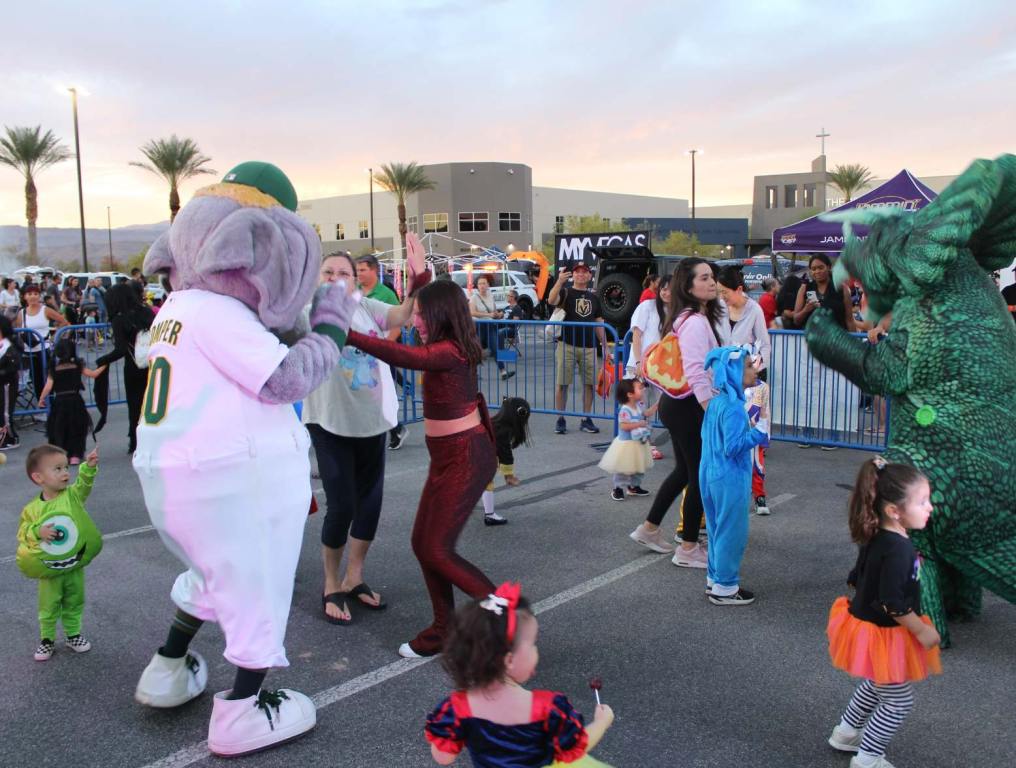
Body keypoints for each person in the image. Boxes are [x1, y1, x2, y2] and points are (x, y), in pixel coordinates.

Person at [346, 278, 498, 658]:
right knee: (423, 544)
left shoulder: (449, 351)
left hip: (467, 458)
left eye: (420, 314)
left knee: (437, 548)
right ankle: (443, 628)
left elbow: (405, 357)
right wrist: (415, 284)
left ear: (441, 314)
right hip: (449, 459)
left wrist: (347, 334)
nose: (415, 321)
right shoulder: (446, 345)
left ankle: (502, 614)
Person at [303, 252, 416, 624]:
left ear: (356, 279)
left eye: (344, 273)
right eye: (328, 271)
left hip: (373, 420)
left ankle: (355, 577)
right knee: (342, 505)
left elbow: (401, 317)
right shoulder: (308, 311)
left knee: (370, 503)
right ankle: (331, 583)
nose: (336, 278)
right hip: (329, 420)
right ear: (319, 278)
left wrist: (416, 285)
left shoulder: (367, 306)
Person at [826, 458, 941, 768]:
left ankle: (847, 732)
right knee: (898, 701)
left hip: (865, 624)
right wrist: (921, 630)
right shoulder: (900, 549)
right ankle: (868, 757)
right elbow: (892, 603)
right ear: (894, 511)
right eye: (922, 501)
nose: (930, 507)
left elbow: (857, 575)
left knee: (878, 681)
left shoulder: (877, 534)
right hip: (884, 630)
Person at [425, 582, 615, 768]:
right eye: (533, 643)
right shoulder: (549, 708)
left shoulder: (455, 709)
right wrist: (601, 723)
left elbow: (444, 758)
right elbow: (576, 746)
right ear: (509, 660)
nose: (535, 650)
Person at [630, 258, 730, 564]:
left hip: (679, 404)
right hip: (690, 405)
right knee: (698, 474)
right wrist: (712, 412)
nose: (712, 282)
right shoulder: (695, 322)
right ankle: (687, 548)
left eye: (712, 277)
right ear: (688, 286)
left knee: (685, 471)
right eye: (704, 278)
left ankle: (650, 528)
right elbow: (697, 372)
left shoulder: (687, 317)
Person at [17, 444, 101, 661]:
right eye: (57, 469)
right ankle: (47, 639)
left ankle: (73, 635)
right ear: (38, 477)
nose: (65, 473)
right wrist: (38, 530)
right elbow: (23, 532)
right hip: (50, 570)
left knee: (75, 599)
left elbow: (84, 485)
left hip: (74, 565)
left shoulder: (72, 496)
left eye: (65, 468)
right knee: (49, 604)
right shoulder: (32, 509)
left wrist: (88, 469)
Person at [699, 347, 770, 605]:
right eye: (749, 366)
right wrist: (758, 433)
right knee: (731, 531)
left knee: (717, 528)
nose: (755, 370)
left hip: (709, 473)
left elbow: (708, 438)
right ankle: (726, 588)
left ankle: (715, 579)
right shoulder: (733, 406)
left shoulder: (717, 402)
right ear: (734, 371)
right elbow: (732, 446)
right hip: (728, 478)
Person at [717, 266, 772, 514]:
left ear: (739, 289)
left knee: (752, 443)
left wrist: (752, 372)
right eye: (719, 292)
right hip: (724, 386)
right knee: (726, 442)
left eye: (725, 292)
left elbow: (765, 348)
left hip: (750, 385)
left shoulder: (755, 309)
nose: (722, 297)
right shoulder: (718, 309)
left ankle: (759, 493)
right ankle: (729, 495)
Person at [548, 263, 609, 435]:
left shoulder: (594, 298)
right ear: (572, 275)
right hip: (567, 344)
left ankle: (586, 418)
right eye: (577, 272)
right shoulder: (566, 292)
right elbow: (551, 300)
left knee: (589, 384)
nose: (581, 275)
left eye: (584, 272)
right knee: (562, 383)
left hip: (589, 346)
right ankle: (560, 418)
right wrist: (559, 282)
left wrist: (605, 346)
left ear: (590, 276)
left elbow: (599, 323)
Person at [357, 253, 410, 449]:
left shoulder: (386, 294)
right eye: (357, 270)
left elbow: (398, 322)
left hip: (383, 351)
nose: (359, 273)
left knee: (380, 393)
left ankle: (395, 428)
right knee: (365, 392)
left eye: (362, 269)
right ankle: (391, 428)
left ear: (373, 270)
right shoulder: (354, 291)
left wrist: (385, 346)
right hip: (361, 352)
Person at [95, 282, 154, 453]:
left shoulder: (119, 320)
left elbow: (120, 349)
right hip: (153, 364)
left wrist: (102, 360)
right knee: (153, 403)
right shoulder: (147, 312)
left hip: (134, 367)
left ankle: (136, 442)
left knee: (135, 406)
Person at [37, 338, 106, 465]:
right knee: (77, 427)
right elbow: (94, 374)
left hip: (59, 401)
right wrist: (105, 364)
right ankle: (75, 455)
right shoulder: (77, 365)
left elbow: (48, 386)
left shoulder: (54, 368)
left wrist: (41, 399)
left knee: (59, 428)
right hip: (75, 400)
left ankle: (61, 454)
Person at [626, 275, 671, 460]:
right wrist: (638, 363)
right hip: (640, 365)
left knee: (661, 405)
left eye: (671, 289)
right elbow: (637, 335)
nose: (667, 293)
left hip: (662, 368)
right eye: (664, 289)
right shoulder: (646, 307)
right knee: (638, 405)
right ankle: (642, 444)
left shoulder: (677, 311)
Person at [599, 378, 656, 501]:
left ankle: (634, 486)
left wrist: (659, 403)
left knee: (638, 467)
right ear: (630, 394)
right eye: (640, 388)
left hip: (638, 443)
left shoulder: (638, 406)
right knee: (623, 469)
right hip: (627, 445)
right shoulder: (625, 410)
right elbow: (623, 426)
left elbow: (647, 413)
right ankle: (618, 488)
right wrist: (639, 424)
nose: (643, 390)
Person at [480, 396, 532, 526]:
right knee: (487, 483)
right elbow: (505, 454)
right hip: (478, 456)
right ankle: (490, 515)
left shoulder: (492, 422)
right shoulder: (503, 431)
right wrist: (509, 475)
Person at [16, 283, 69, 398]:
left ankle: (50, 404)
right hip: (28, 351)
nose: (33, 296)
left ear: (39, 296)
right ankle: (42, 404)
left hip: (44, 349)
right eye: (29, 294)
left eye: (35, 294)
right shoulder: (22, 313)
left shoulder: (45, 310)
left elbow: (63, 321)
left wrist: (54, 337)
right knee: (36, 380)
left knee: (47, 378)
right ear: (25, 297)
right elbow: (16, 330)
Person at [793, 254, 856, 332]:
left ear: (829, 267)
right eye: (813, 269)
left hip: (837, 339)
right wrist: (806, 310)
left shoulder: (843, 289)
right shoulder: (804, 289)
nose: (817, 271)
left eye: (821, 267)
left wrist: (853, 340)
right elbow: (796, 320)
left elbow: (850, 320)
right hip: (813, 339)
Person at [470, 274, 515, 381]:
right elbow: (472, 312)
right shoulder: (474, 297)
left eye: (484, 283)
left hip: (490, 326)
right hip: (479, 326)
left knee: (495, 348)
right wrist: (489, 315)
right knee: (476, 351)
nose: (481, 286)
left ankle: (503, 372)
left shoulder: (490, 296)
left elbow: (493, 311)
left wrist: (498, 315)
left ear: (488, 285)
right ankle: (471, 373)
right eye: (480, 283)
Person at [0, 314, 22, 450]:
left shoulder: (10, 345)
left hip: (7, 383)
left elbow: (13, 366)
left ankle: (9, 438)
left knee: (6, 411)